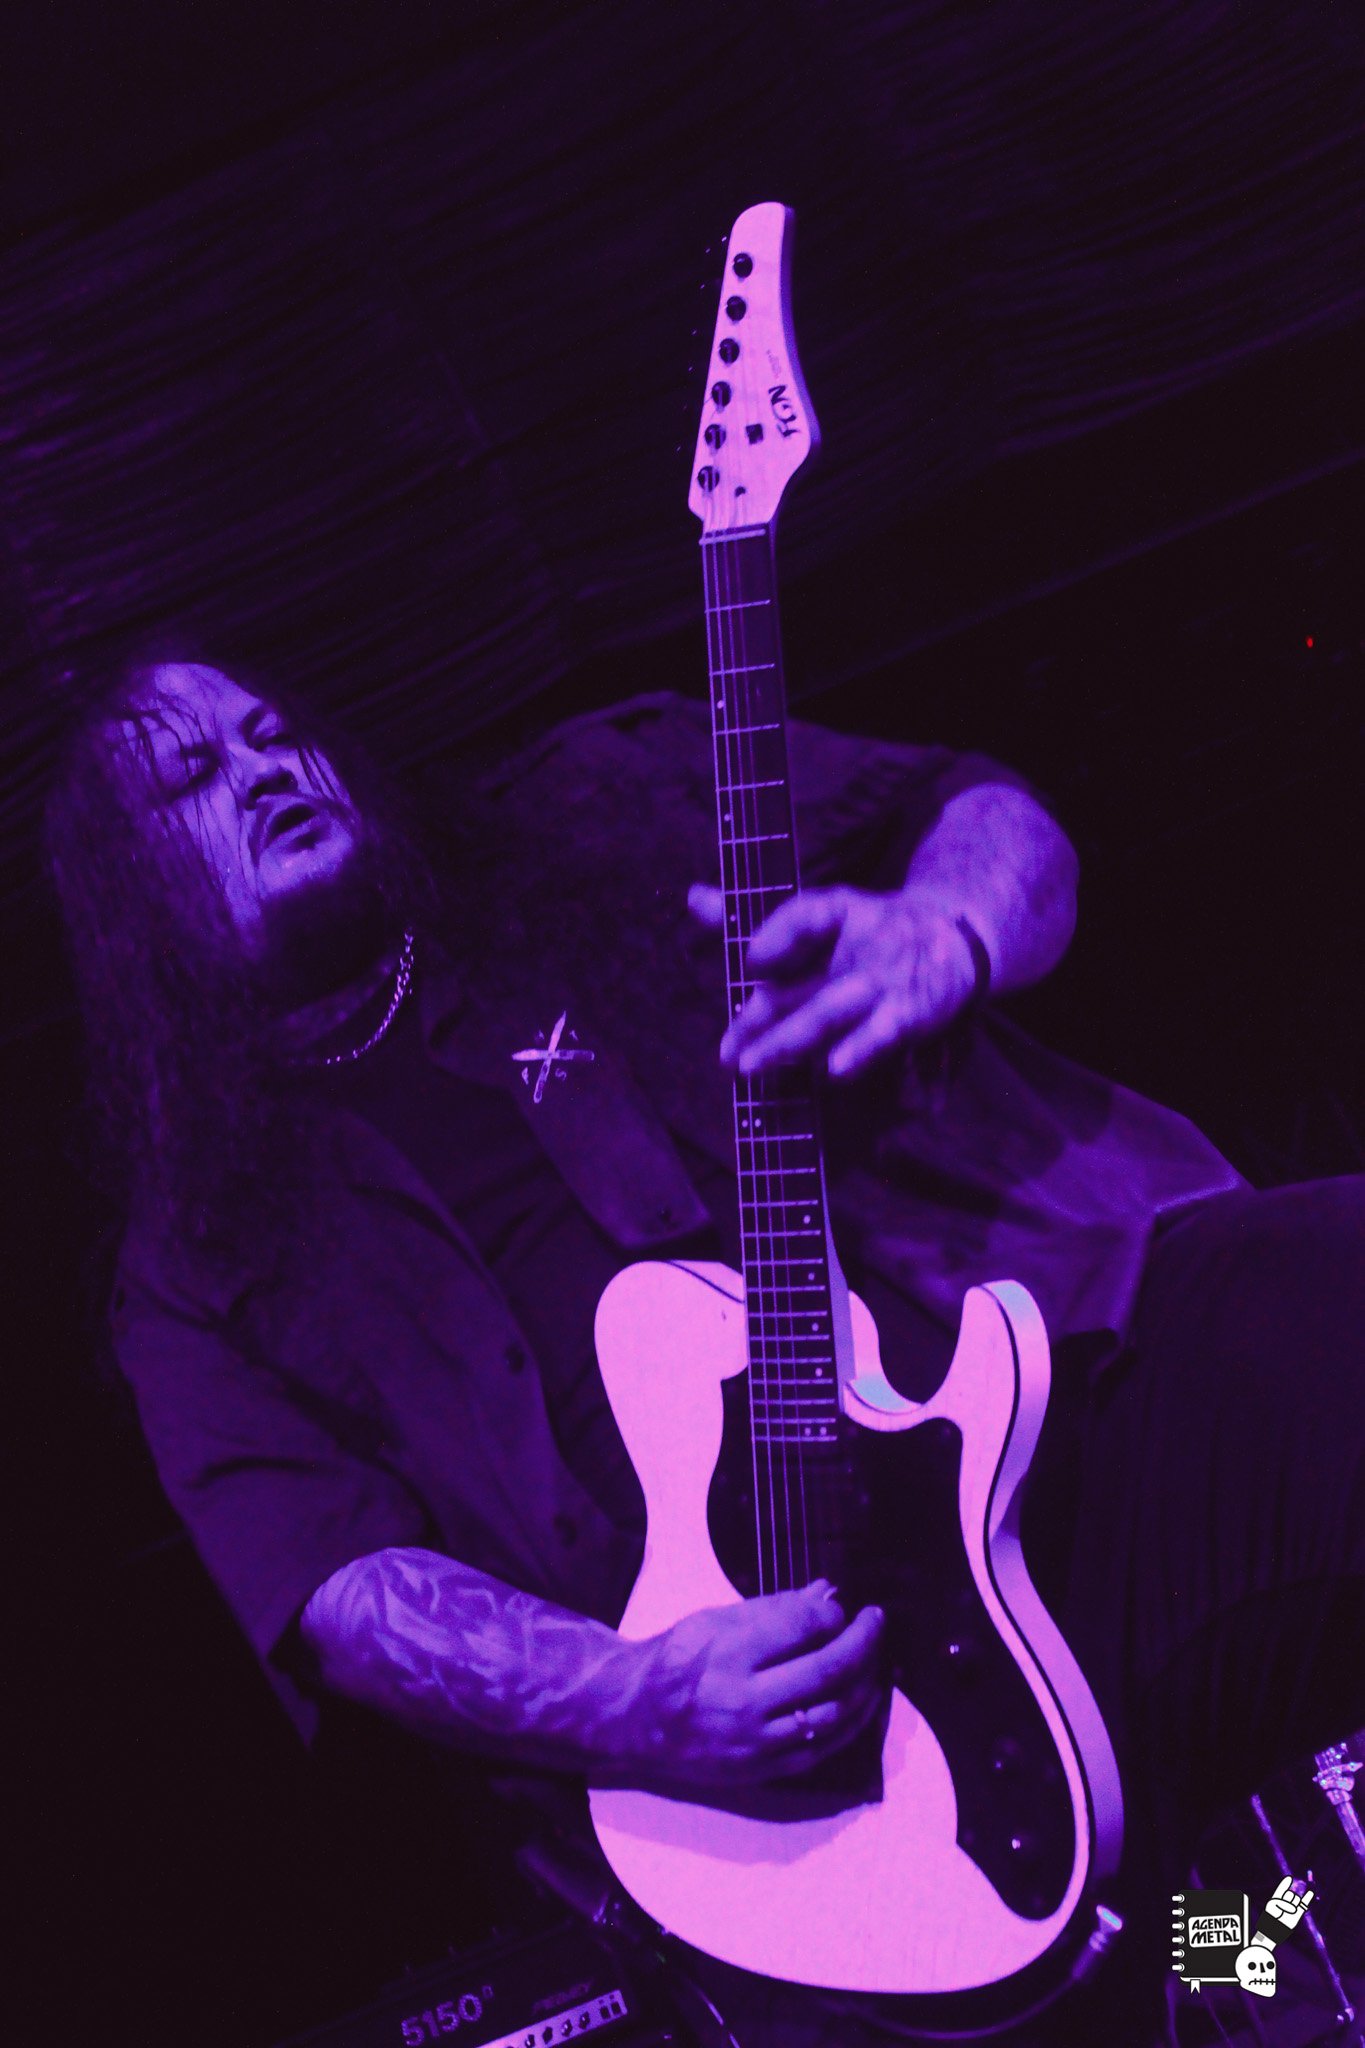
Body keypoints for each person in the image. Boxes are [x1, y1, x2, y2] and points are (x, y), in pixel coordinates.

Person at [47, 657, 1365, 2045]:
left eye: (276, 731)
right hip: (802, 1752)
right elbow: (339, 1586)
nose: (264, 769)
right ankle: (1234, 1963)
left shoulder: (588, 807)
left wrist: (943, 927)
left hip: (1067, 1436)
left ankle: (1264, 1938)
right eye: (192, 778)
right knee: (1148, 1958)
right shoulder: (191, 1258)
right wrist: (641, 1703)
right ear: (135, 911)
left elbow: (984, 813)